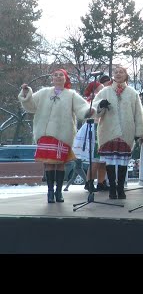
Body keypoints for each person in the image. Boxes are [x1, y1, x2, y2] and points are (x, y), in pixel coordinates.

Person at [18, 68, 94, 203]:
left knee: (60, 164)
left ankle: (59, 192)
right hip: (45, 133)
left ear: (65, 79)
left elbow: (82, 108)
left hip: (62, 134)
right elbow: (31, 106)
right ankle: (50, 192)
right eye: (55, 75)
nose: (58, 77)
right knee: (48, 164)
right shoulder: (43, 93)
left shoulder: (71, 95)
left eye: (61, 75)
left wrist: (88, 111)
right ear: (52, 79)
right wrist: (26, 93)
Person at [92, 66, 143, 200]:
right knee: (109, 162)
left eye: (121, 72)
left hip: (126, 131)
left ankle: (120, 188)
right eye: (115, 72)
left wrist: (140, 131)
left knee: (123, 162)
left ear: (126, 75)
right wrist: (100, 105)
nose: (118, 74)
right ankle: (112, 189)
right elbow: (93, 109)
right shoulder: (105, 91)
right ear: (113, 76)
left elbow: (138, 113)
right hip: (108, 130)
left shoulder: (132, 93)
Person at [72, 80, 110, 192]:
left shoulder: (102, 99)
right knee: (95, 159)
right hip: (94, 129)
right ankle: (89, 182)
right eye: (100, 88)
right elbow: (91, 115)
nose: (103, 90)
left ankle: (101, 182)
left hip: (103, 129)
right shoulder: (91, 102)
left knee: (103, 160)